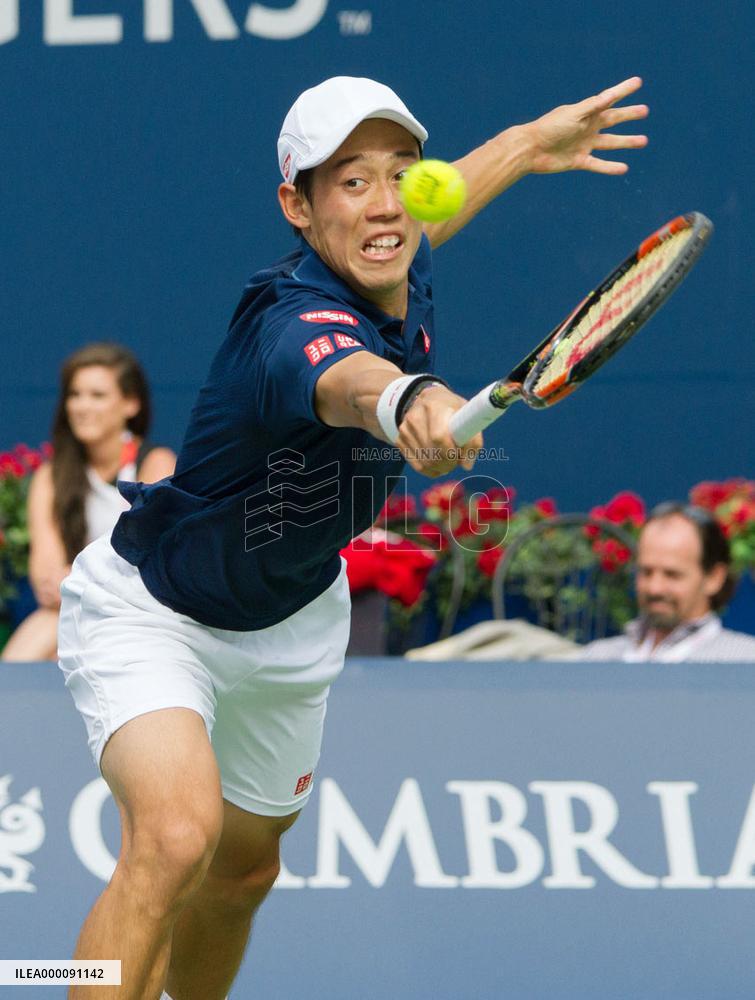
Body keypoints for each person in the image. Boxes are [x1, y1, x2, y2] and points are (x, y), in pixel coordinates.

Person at [57, 75, 649, 999]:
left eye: (401, 175)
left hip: (290, 621)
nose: (384, 205)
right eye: (349, 182)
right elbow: (348, 377)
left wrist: (527, 145)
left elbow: (413, 228)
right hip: (160, 610)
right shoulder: (286, 325)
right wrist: (411, 401)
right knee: (176, 838)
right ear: (296, 205)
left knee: (245, 872)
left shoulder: (391, 250)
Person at [2, 343, 175, 663]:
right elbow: (46, 581)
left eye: (97, 395)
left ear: (131, 404)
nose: (82, 406)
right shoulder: (50, 476)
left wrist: (78, 579)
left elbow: (145, 566)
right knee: (37, 640)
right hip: (70, 611)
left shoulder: (155, 463)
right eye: (74, 394)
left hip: (139, 619)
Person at [582, 502, 755, 661]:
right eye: (646, 572)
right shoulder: (596, 658)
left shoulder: (745, 661)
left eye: (672, 575)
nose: (655, 588)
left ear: (714, 578)